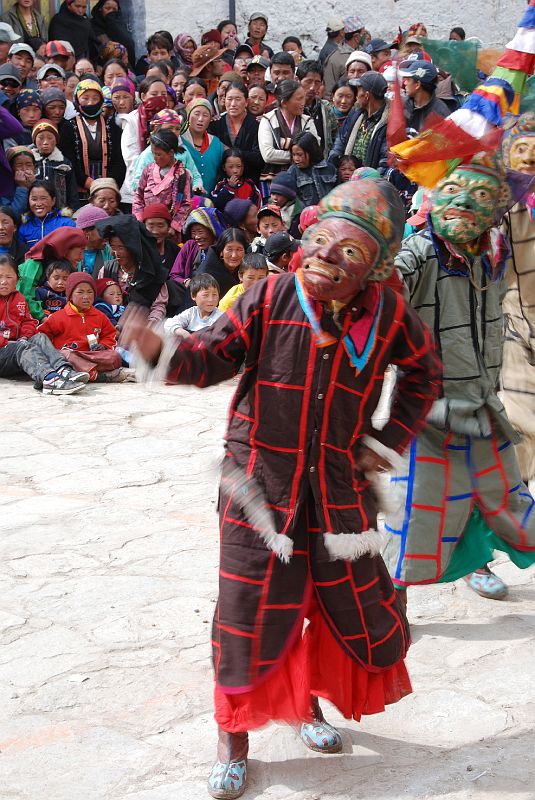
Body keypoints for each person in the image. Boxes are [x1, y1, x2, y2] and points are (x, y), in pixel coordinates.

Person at [120, 171, 441, 800]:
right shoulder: (267, 296)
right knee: (247, 614)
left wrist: (384, 441)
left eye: (349, 251)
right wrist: (159, 350)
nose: (326, 257)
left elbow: (424, 374)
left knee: (336, 604)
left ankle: (305, 707)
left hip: (338, 489)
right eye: (321, 241)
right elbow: (210, 358)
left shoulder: (390, 314)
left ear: (373, 269)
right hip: (258, 489)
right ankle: (232, 738)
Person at [382, 152, 535, 606]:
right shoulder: (420, 251)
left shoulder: (492, 251)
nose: (465, 205)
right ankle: (392, 602)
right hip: (427, 411)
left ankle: (476, 561)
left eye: (480, 198)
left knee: (505, 497)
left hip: (482, 402)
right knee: (417, 510)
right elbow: (391, 285)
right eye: (453, 193)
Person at [500, 113, 535, 487]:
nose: (527, 159)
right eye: (520, 151)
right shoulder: (504, 203)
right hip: (515, 325)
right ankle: (520, 504)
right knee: (521, 421)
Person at [0, 255, 88, 394]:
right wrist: (7, 342)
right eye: (0, 277)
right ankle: (49, 379)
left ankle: (63, 369)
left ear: (17, 279)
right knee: (24, 348)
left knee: (40, 337)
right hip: (3, 352)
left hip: (18, 346)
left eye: (9, 277)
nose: (4, 282)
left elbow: (28, 321)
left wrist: (25, 336)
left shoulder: (19, 298)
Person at [38, 271, 125, 382]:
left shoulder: (99, 316)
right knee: (66, 355)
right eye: (80, 292)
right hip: (70, 356)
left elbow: (109, 334)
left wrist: (103, 345)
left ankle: (84, 372)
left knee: (114, 356)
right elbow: (42, 336)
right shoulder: (59, 317)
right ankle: (98, 376)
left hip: (91, 355)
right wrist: (54, 351)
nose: (86, 296)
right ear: (70, 295)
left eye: (90, 292)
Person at [60, 79, 125, 201]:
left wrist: (108, 185)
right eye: (85, 98)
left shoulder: (112, 127)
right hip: (79, 191)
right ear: (77, 100)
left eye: (95, 98)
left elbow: (119, 160)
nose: (90, 103)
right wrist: (87, 182)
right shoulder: (68, 127)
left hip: (109, 189)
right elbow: (69, 160)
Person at [94, 213, 166, 307]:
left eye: (121, 248)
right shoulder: (106, 270)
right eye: (113, 247)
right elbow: (98, 300)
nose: (116, 253)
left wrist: (150, 321)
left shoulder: (150, 272)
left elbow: (158, 306)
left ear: (133, 248)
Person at [258, 79, 319, 189]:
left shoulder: (307, 121)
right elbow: (268, 154)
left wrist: (285, 147)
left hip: (305, 180)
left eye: (303, 98)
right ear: (284, 103)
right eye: (299, 99)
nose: (303, 103)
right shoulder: (268, 120)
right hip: (274, 181)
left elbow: (315, 149)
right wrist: (299, 155)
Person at [132, 129, 192, 240]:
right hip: (147, 227)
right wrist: (140, 221)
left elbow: (185, 204)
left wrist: (174, 227)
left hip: (168, 231)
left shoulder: (183, 175)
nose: (155, 157)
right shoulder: (148, 169)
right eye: (153, 153)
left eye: (159, 154)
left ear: (171, 153)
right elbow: (138, 196)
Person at [17, 225, 86, 319]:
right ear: (66, 249)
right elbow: (25, 296)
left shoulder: (70, 266)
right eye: (81, 252)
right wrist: (42, 317)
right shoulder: (34, 264)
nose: (82, 257)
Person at [120, 76, 168, 208]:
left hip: (167, 189)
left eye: (163, 94)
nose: (160, 97)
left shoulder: (169, 119)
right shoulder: (132, 120)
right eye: (154, 94)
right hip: (136, 189)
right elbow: (130, 157)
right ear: (143, 96)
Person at [131, 108, 203, 194]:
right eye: (170, 128)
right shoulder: (148, 154)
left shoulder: (183, 151)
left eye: (177, 129)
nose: (174, 132)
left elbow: (195, 175)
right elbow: (137, 184)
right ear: (157, 128)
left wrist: (197, 185)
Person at [329, 72, 389, 172]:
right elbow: (340, 140)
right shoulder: (355, 113)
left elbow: (385, 162)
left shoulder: (388, 123)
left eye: (358, 90)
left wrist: (369, 181)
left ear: (366, 96)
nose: (356, 95)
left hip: (370, 183)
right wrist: (335, 162)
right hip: (348, 180)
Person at [209, 81, 263, 185]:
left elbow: (259, 158)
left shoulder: (257, 124)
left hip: (250, 182)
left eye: (238, 99)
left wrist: (230, 151)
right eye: (229, 99)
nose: (233, 104)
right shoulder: (215, 124)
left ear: (246, 102)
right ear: (224, 101)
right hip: (221, 184)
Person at [30, 119, 79, 211]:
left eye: (50, 138)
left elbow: (72, 193)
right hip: (35, 212)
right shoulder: (29, 162)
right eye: (41, 138)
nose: (45, 142)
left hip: (59, 212)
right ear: (34, 140)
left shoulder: (64, 164)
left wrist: (73, 211)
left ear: (56, 140)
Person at [181, 98, 225, 195]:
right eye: (196, 114)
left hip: (211, 201)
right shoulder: (179, 142)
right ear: (188, 116)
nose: (200, 119)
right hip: (184, 201)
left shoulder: (216, 143)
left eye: (205, 115)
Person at [296, 60, 338, 158]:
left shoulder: (326, 108)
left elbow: (335, 135)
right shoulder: (291, 107)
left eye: (317, 83)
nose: (312, 87)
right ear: (298, 81)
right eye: (308, 82)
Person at [18, 179, 76, 248]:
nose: (38, 204)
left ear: (53, 201)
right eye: (34, 199)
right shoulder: (24, 227)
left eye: (43, 198)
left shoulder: (66, 224)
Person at [288, 131, 338, 208]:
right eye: (294, 155)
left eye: (299, 154)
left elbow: (339, 195)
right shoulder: (293, 172)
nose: (296, 159)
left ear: (311, 152)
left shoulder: (330, 169)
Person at [195, 227, 247, 299]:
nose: (234, 255)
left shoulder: (247, 269)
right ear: (221, 252)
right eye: (229, 249)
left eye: (239, 250)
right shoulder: (206, 272)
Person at [323, 16, 366, 99]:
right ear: (357, 36)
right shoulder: (335, 58)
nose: (365, 37)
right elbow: (329, 91)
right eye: (363, 34)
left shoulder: (363, 54)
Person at [399, 61, 450, 131]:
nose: (404, 83)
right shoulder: (402, 104)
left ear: (417, 84)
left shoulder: (441, 114)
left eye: (408, 80)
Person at [90, 0, 136, 69]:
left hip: (125, 66)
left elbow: (129, 46)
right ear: (100, 9)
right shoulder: (92, 26)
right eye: (107, 8)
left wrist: (114, 25)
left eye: (114, 9)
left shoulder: (121, 26)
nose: (111, 12)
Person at [139, 203, 179, 274]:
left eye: (160, 226)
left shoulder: (175, 251)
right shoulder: (138, 251)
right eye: (151, 226)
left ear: (168, 227)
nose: (155, 231)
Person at [76, 203, 113, 277]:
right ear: (86, 232)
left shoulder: (110, 252)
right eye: (102, 231)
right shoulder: (72, 253)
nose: (107, 236)